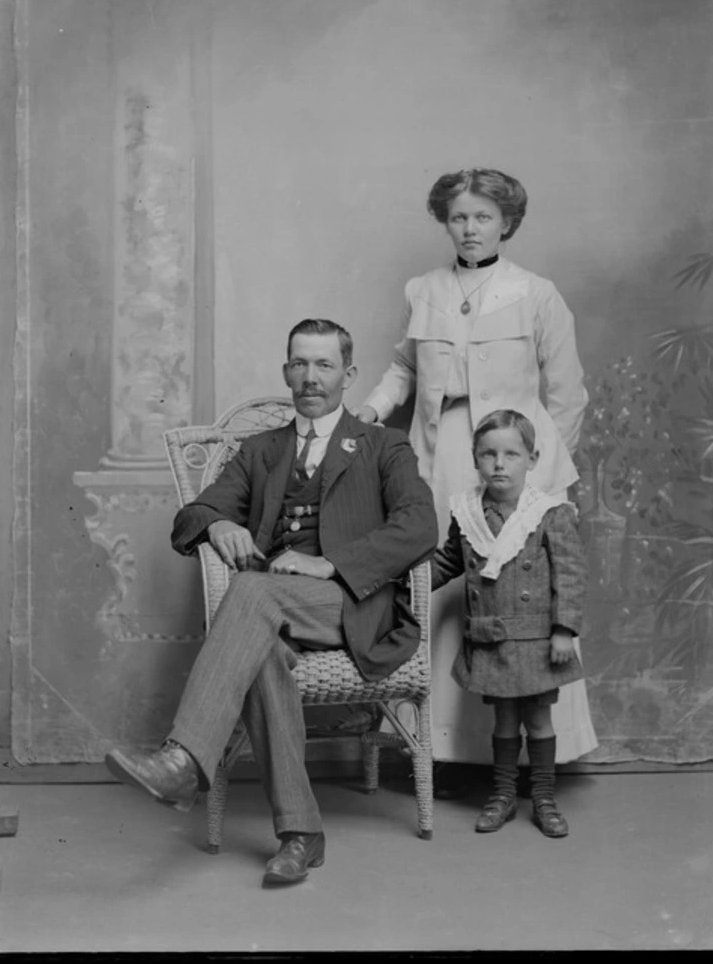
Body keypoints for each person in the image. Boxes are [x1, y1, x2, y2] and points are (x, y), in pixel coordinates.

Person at [105, 319, 439, 887]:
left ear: (349, 375)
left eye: (324, 365)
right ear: (286, 370)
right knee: (257, 648)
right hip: (268, 609)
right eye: (299, 364)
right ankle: (302, 834)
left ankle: (185, 761)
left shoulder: (385, 446)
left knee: (250, 591)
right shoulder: (259, 451)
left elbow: (419, 526)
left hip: (350, 607)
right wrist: (217, 528)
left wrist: (329, 564)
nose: (311, 378)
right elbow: (192, 515)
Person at [356, 167, 596, 787]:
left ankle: (538, 759)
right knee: (448, 579)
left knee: (524, 584)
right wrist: (372, 411)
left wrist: (538, 475)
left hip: (519, 459)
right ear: (445, 221)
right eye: (459, 216)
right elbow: (403, 370)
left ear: (507, 223)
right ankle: (443, 748)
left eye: (483, 217)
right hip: (442, 454)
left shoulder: (536, 293)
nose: (470, 228)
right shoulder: (424, 289)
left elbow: (568, 394)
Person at [430, 409, 588, 837]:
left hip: (537, 640)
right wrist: (412, 579)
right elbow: (450, 560)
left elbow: (570, 576)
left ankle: (543, 798)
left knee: (538, 721)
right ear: (475, 458)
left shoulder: (550, 512)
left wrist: (563, 630)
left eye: (511, 454)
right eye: (489, 454)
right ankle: (501, 795)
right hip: (492, 639)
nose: (499, 464)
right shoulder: (467, 512)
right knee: (502, 722)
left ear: (531, 459)